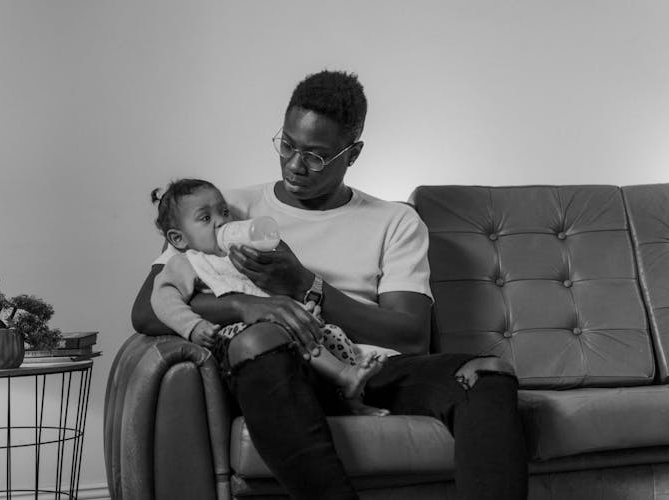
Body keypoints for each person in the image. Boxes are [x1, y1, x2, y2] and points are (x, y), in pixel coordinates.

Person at [132, 70, 528, 499]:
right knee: (259, 342)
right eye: (287, 145)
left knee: (487, 374)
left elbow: (411, 336)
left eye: (316, 156)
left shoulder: (394, 222)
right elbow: (148, 309)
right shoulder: (223, 209)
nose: (295, 165)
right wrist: (247, 308)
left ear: (352, 153)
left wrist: (305, 283)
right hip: (278, 372)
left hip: (367, 368)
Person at [149, 178, 390, 416]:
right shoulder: (187, 262)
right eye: (205, 218)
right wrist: (193, 326)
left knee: (331, 334)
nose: (221, 221)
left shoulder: (241, 255)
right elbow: (162, 299)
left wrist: (304, 310)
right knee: (285, 334)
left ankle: (351, 398)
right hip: (239, 336)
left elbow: (270, 297)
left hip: (277, 325)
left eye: (224, 211)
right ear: (178, 238)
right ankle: (344, 376)